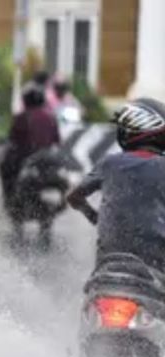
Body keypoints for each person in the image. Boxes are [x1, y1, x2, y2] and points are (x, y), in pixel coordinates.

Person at [68, 98, 165, 273]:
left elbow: (74, 197)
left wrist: (94, 217)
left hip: (109, 258)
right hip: (155, 261)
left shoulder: (109, 163)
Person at [0, 82, 61, 232]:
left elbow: (13, 139)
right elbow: (57, 140)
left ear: (26, 100)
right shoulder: (50, 117)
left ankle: (9, 200)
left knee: (5, 167)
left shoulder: (21, 117)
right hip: (47, 162)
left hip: (25, 159)